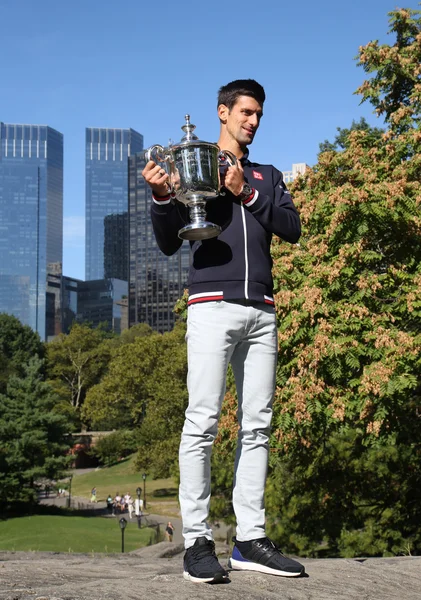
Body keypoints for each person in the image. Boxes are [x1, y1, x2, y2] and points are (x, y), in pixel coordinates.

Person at [142, 79, 304, 584]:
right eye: (246, 113)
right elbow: (170, 243)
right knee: (203, 421)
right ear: (223, 112)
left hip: (263, 310)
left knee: (258, 425)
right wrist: (160, 198)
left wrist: (247, 191)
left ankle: (250, 540)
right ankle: (197, 542)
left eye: (259, 114)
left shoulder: (267, 174)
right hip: (211, 305)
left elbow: (291, 227)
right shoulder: (197, 164)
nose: (253, 121)